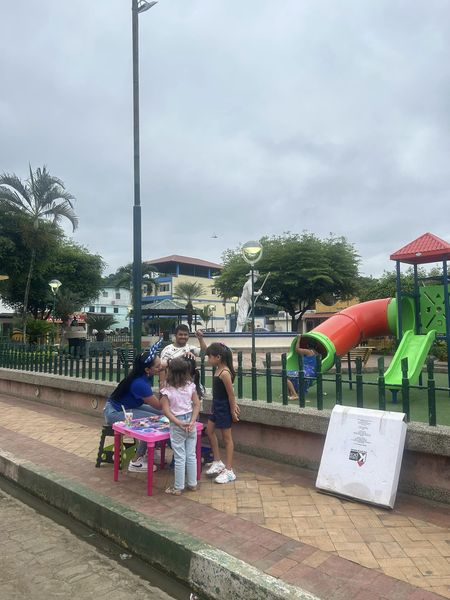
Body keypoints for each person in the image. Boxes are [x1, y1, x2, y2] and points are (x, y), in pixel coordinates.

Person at [103, 343, 164, 473]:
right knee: (153, 422)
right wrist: (164, 383)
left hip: (128, 407)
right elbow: (159, 404)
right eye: (158, 366)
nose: (161, 368)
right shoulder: (140, 384)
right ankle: (136, 461)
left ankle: (151, 449)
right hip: (115, 412)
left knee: (162, 414)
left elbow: (161, 409)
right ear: (147, 369)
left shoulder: (142, 373)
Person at [160, 358, 200, 495]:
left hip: (177, 423)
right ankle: (193, 483)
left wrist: (178, 423)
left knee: (179, 456)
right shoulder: (190, 386)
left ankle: (178, 487)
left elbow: (166, 411)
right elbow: (197, 404)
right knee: (191, 455)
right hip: (190, 421)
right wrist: (192, 421)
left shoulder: (167, 390)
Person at [204, 343, 239, 484]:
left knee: (227, 439)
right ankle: (218, 461)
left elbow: (231, 395)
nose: (208, 359)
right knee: (209, 431)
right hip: (216, 406)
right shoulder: (218, 369)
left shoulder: (224, 373)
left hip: (223, 408)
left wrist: (233, 410)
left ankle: (229, 470)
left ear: (218, 357)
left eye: (209, 356)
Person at [287, 336, 320, 400]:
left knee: (286, 376)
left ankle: (294, 395)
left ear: (308, 345)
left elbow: (297, 349)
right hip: (312, 373)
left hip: (306, 372)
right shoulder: (317, 353)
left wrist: (299, 339)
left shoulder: (309, 352)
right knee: (290, 376)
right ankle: (290, 394)